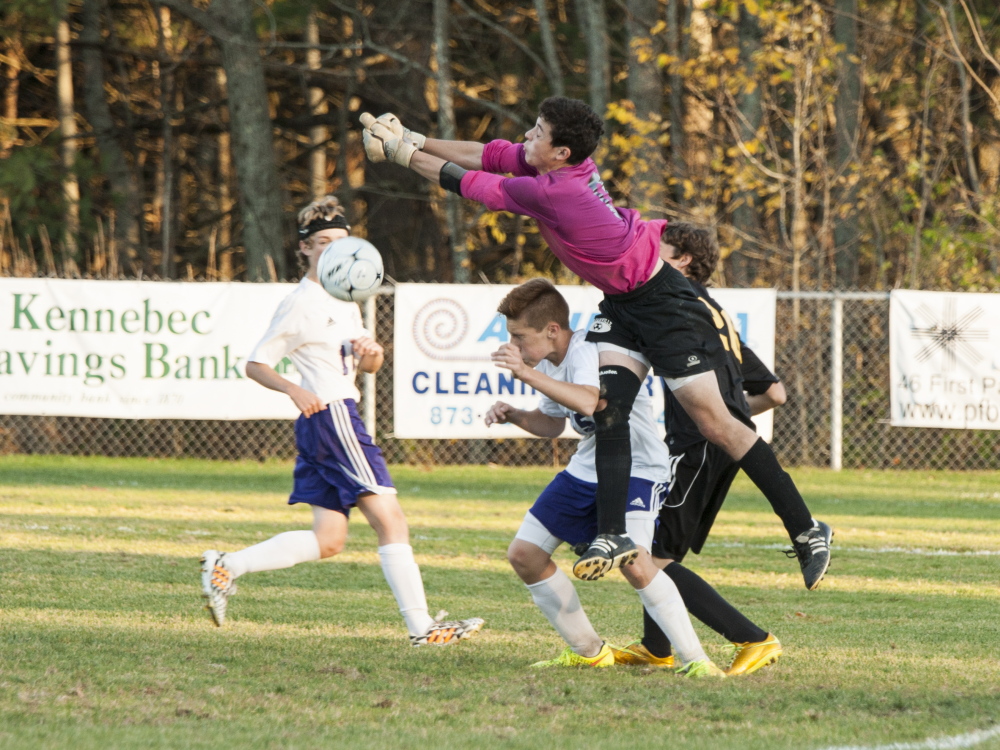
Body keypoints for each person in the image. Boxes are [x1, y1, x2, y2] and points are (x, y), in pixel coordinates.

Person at [358, 99, 832, 590]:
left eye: (538, 131)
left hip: (664, 305)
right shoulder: (564, 164)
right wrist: (413, 135)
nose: (528, 134)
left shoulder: (557, 193)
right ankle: (611, 534)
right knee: (609, 410)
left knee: (716, 424)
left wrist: (400, 153)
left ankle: (806, 529)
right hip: (623, 304)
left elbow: (472, 183)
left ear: (560, 151)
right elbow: (490, 154)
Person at [199, 195, 484, 646]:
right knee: (391, 522)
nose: (336, 251)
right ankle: (421, 627)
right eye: (325, 243)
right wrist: (294, 389)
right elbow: (257, 363)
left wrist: (373, 355)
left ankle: (226, 565)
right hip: (332, 418)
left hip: (330, 420)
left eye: (343, 243)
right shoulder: (301, 302)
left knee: (329, 539)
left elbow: (367, 366)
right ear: (306, 249)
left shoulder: (346, 296)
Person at [484, 279, 724, 677]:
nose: (515, 344)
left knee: (636, 565)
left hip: (637, 468)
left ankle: (697, 661)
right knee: (524, 556)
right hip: (586, 468)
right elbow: (551, 423)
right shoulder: (546, 360)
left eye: (519, 336)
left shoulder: (586, 349)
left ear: (552, 331)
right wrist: (515, 415)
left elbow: (586, 400)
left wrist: (524, 373)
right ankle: (589, 650)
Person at [615, 223, 792, 676]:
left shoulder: (674, 306)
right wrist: (728, 422)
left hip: (697, 446)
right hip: (721, 444)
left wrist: (708, 421)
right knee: (657, 546)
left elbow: (773, 396)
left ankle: (752, 638)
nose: (648, 258)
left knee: (650, 558)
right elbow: (774, 394)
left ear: (683, 261)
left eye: (659, 251)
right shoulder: (714, 312)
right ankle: (657, 647)